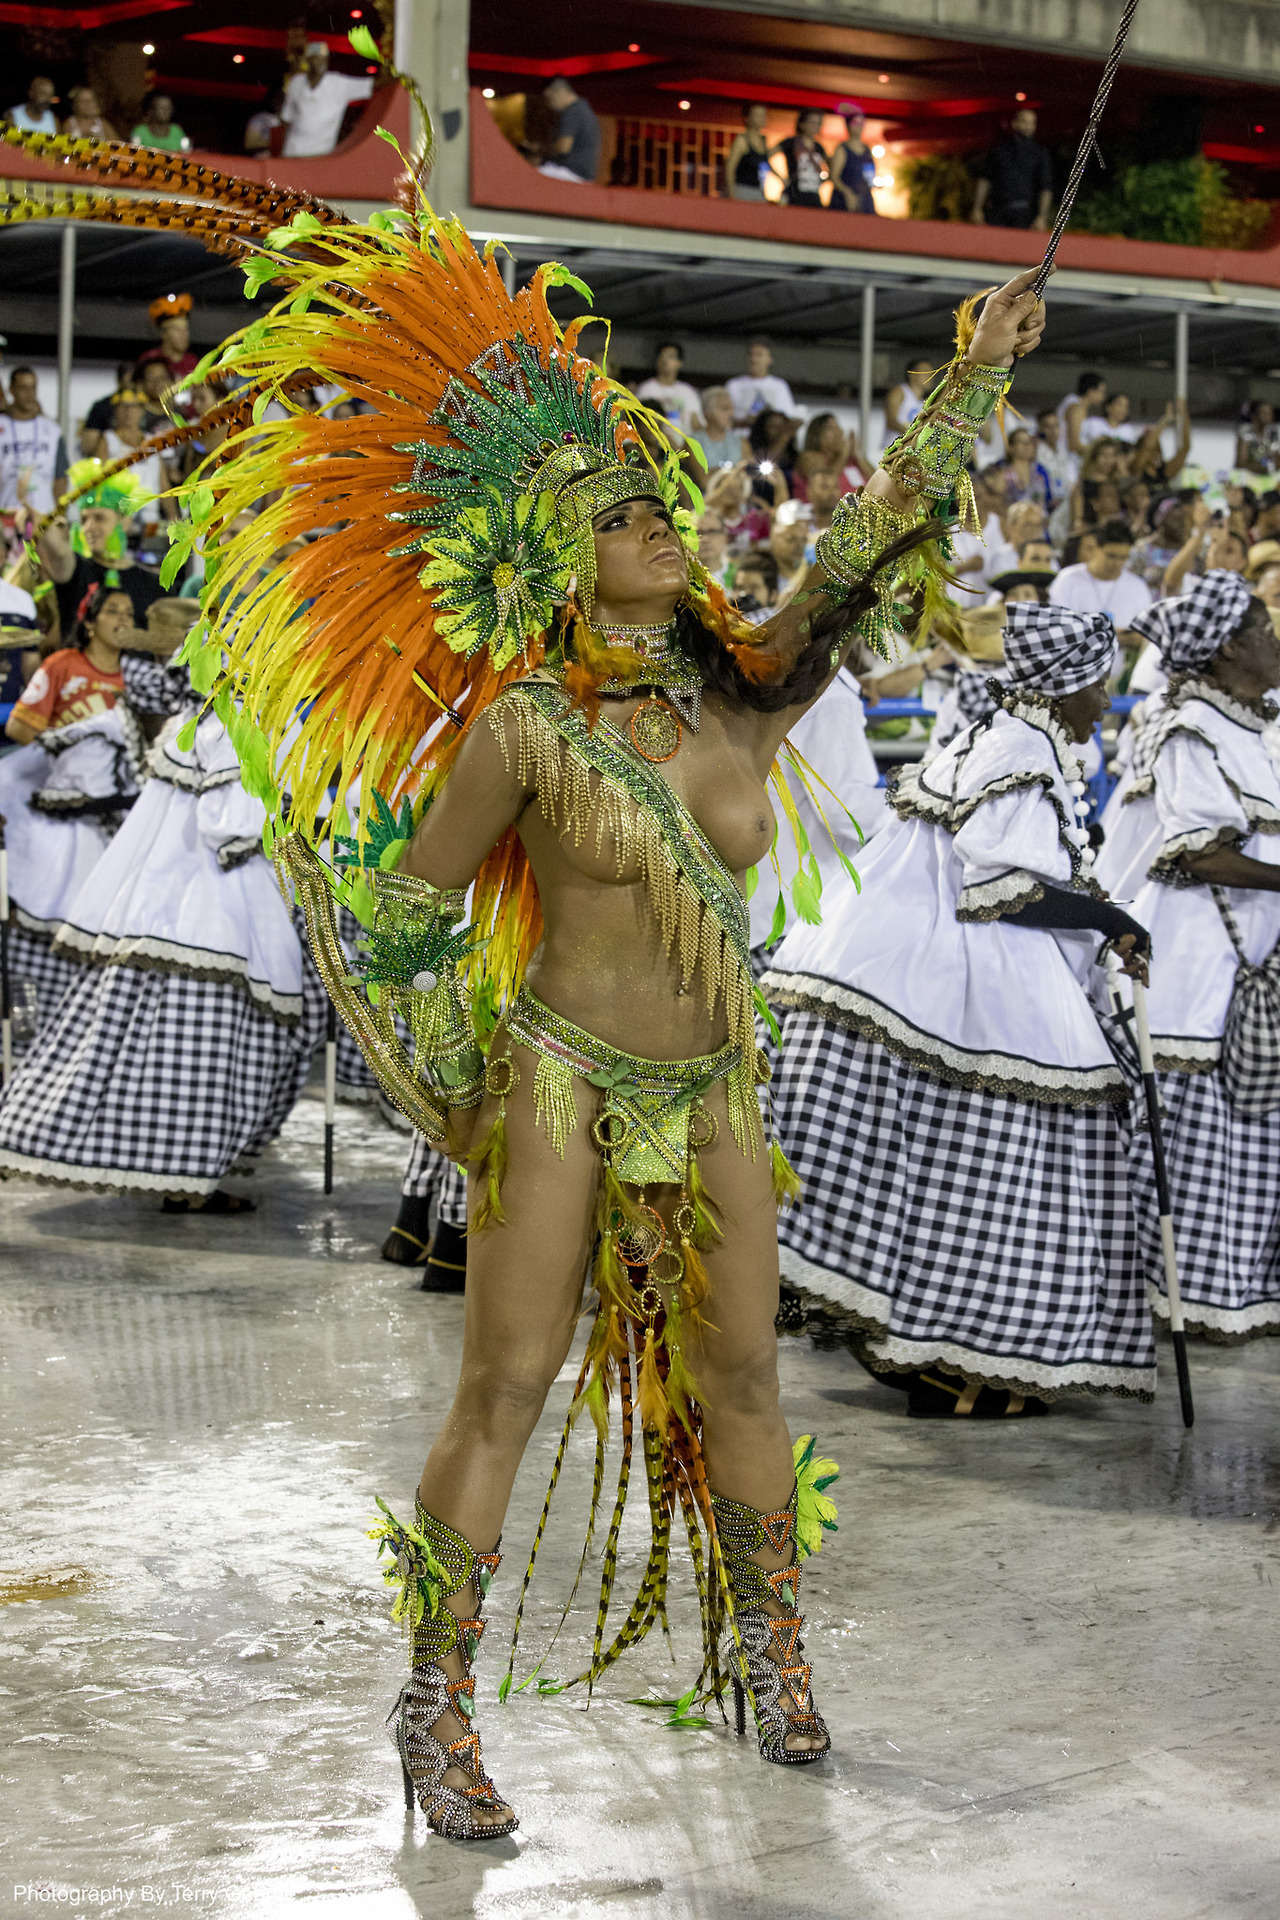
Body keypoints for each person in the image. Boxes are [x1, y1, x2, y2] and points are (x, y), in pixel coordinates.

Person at [9, 104, 1047, 1831]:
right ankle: (435, 1707)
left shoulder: (744, 687)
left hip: (715, 1080)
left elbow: (865, 553)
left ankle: (774, 1644)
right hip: (559, 1080)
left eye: (669, 504)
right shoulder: (524, 726)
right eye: (631, 510)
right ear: (567, 551)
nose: (666, 523)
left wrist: (967, 378)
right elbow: (406, 910)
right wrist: (442, 1054)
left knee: (743, 1376)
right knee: (500, 1384)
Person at [762, 600, 1154, 1415]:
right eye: (1099, 688)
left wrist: (1094, 910)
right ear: (1069, 684)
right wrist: (1111, 919)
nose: (1104, 705)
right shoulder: (1022, 749)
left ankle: (929, 1351)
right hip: (958, 983)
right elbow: (1002, 887)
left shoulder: (1006, 733)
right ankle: (955, 1364)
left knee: (930, 1174)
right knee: (1004, 1166)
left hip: (897, 962)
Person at [0, 646, 325, 1206]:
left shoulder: (197, 718)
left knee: (137, 1051)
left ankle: (186, 1180)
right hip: (217, 912)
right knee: (215, 1053)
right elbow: (230, 824)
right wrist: (296, 826)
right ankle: (187, 1182)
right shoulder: (231, 723)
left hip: (167, 909)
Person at [1096, 576, 1280, 1342]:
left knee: (1247, 1132)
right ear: (1231, 646)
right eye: (1265, 624)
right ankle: (1189, 1302)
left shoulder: (1246, 724)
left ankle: (1235, 1295)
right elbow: (1199, 852)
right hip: (1200, 967)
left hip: (1241, 960)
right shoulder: (1188, 729)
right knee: (1206, 1136)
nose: (1276, 636)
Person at [0, 585, 142, 1036]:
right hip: (53, 801)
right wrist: (73, 743)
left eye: (129, 613)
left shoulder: (141, 676)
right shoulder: (63, 666)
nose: (123, 619)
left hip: (119, 809)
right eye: (113, 611)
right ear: (90, 622)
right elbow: (21, 729)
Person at [35, 458, 165, 635]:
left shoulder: (154, 584)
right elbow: (58, 551)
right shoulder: (75, 572)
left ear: (125, 521)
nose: (88, 527)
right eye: (84, 519)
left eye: (99, 518)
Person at [1050, 517, 1153, 641]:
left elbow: (1143, 636)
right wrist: (1116, 635)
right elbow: (1059, 627)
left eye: (1123, 557)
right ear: (1095, 548)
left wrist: (1094, 636)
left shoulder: (1138, 587)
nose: (1117, 563)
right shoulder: (1067, 579)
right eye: (1111, 556)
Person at [280, 41, 377, 158]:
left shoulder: (338, 83)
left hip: (320, 155)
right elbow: (287, 119)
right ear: (308, 61)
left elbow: (374, 85)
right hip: (292, 153)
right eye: (316, 59)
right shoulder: (296, 82)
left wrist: (398, 75)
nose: (320, 62)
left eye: (323, 59)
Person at [971, 106, 1053, 231]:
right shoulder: (999, 151)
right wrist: (977, 208)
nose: (1028, 127)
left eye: (1032, 123)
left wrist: (1042, 217)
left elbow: (1045, 188)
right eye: (1025, 122)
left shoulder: (1040, 154)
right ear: (1015, 124)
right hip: (997, 213)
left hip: (1024, 215)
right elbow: (984, 180)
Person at [0, 367, 67, 518]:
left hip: (43, 514)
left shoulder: (51, 430)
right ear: (11, 390)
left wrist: (60, 514)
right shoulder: (2, 425)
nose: (29, 395)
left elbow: (60, 478)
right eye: (23, 388)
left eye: (33, 388)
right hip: (6, 514)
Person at [538, 75, 601, 184]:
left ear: (559, 92)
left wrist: (541, 149)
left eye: (550, 98)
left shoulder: (573, 111)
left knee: (528, 178)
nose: (550, 104)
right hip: (585, 176)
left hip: (571, 174)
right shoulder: (584, 109)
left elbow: (563, 147)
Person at [135, 292, 198, 398]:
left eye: (185, 329)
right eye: (177, 330)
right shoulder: (150, 359)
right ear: (163, 334)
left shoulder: (193, 362)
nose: (183, 334)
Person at [635, 343, 704, 439]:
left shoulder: (688, 391)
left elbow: (697, 424)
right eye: (661, 356)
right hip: (658, 444)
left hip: (685, 445)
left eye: (670, 356)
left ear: (679, 363)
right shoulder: (646, 389)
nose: (665, 360)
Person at [726, 340, 796, 427]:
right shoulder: (733, 385)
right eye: (751, 354)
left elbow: (787, 417)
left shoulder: (780, 386)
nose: (754, 359)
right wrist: (746, 421)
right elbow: (724, 418)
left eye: (759, 355)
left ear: (769, 359)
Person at [773, 108, 829, 208]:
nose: (815, 126)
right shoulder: (791, 142)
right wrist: (781, 178)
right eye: (812, 122)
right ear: (802, 123)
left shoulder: (818, 147)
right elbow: (765, 155)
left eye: (818, 123)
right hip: (795, 193)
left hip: (813, 194)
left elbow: (832, 167)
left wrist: (823, 179)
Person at [828, 104, 877, 214]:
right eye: (855, 123)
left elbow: (870, 176)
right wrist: (847, 193)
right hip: (844, 200)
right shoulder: (842, 149)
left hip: (864, 199)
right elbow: (834, 176)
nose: (859, 127)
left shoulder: (867, 150)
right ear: (848, 125)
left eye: (861, 123)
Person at [994, 425, 1053, 512]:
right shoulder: (1004, 475)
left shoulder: (1040, 472)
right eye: (1021, 442)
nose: (1027, 445)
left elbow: (1048, 500)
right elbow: (996, 504)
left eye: (1029, 442)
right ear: (1010, 447)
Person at [691, 386, 746, 471]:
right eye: (725, 408)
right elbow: (703, 479)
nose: (731, 414)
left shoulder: (742, 443)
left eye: (732, 408)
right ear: (707, 412)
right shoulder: (693, 443)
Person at [725, 102, 771, 201]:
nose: (761, 118)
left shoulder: (763, 141)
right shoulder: (742, 140)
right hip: (742, 190)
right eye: (757, 115)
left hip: (758, 191)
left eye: (763, 115)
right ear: (747, 118)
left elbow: (766, 164)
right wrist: (732, 193)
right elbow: (730, 167)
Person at [1059, 372, 1107, 458]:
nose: (1103, 397)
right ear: (1091, 391)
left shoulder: (1076, 404)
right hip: (1067, 459)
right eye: (1102, 392)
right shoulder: (1077, 408)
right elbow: (1073, 444)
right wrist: (1097, 450)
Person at [1235, 400, 1280, 478]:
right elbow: (1240, 463)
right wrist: (1264, 467)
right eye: (1264, 413)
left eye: (1270, 413)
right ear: (1255, 415)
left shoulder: (1273, 433)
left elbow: (1277, 462)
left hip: (1267, 478)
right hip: (1248, 477)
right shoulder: (1246, 432)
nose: (1268, 416)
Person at [244, 88, 284, 156]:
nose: (279, 102)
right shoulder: (260, 118)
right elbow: (250, 143)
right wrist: (275, 142)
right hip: (264, 160)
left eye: (282, 99)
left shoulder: (291, 120)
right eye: (276, 98)